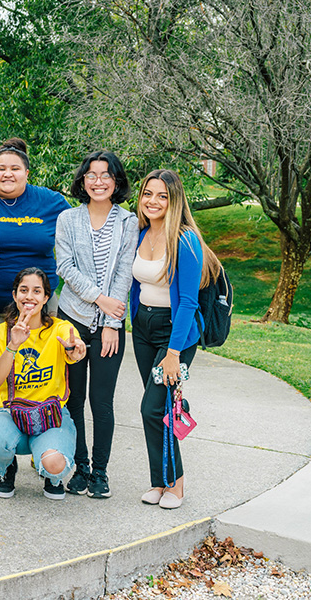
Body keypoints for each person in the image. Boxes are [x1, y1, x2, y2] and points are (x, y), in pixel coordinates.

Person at [0, 138, 70, 475]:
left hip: (41, 307)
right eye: (0, 168)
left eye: (14, 169)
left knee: (45, 373)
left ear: (27, 172)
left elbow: (73, 246)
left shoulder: (51, 203)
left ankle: (47, 439)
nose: (7, 174)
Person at [129, 169, 222, 510]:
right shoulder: (139, 233)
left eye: (162, 196)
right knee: (159, 409)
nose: (153, 201)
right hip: (143, 328)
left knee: (153, 408)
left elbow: (188, 302)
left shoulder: (184, 240)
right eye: (148, 194)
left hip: (174, 333)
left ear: (174, 201)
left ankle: (177, 485)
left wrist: (174, 352)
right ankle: (159, 482)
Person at [53, 150, 138, 499]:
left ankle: (100, 472)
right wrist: (98, 299)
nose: (98, 181)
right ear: (82, 180)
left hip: (109, 326)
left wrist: (110, 320)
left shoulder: (129, 222)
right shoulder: (68, 219)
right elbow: (65, 268)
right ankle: (80, 467)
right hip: (72, 318)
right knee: (73, 399)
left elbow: (124, 272)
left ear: (116, 181)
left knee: (101, 401)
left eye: (106, 175)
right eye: (91, 174)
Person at [0, 268, 86, 499]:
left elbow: (73, 350)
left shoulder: (60, 329)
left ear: (46, 297)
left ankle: (51, 476)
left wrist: (76, 351)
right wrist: (13, 345)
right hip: (11, 413)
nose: (30, 297)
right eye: (24, 290)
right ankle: (7, 468)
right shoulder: (0, 332)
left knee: (54, 463)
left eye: (37, 291)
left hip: (50, 414)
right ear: (15, 295)